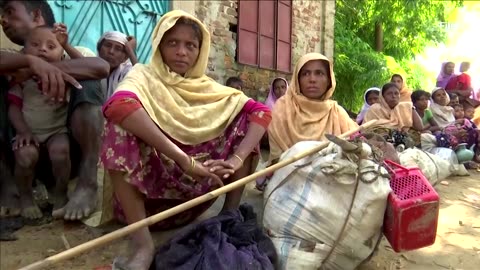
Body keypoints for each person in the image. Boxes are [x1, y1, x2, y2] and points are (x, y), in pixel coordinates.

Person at [100, 10, 271, 269]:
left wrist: (236, 160)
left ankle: (227, 217)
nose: (182, 51)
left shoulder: (208, 87)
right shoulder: (143, 76)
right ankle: (143, 244)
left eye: (190, 45)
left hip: (194, 200)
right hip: (147, 206)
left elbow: (262, 112)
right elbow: (118, 106)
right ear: (159, 45)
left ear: (200, 51)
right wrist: (185, 161)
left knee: (244, 119)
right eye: (173, 43)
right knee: (119, 129)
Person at [0, 0, 110, 220]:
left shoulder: (76, 52)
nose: (3, 20)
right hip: (22, 145)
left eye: (10, 12)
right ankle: (7, 185)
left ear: (36, 15)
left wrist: (41, 69)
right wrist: (29, 61)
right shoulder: (11, 57)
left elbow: (101, 67)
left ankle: (87, 183)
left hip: (64, 149)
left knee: (86, 79)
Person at [7, 25, 83, 219]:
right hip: (28, 131)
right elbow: (14, 107)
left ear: (61, 54)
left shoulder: (65, 75)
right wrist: (23, 131)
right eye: (35, 44)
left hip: (56, 131)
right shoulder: (22, 78)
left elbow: (87, 65)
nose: (43, 49)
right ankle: (25, 197)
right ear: (24, 50)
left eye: (51, 46)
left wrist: (67, 45)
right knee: (25, 156)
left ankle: (59, 193)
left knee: (61, 152)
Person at [268, 53, 358, 163]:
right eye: (305, 74)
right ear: (297, 79)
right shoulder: (282, 108)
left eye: (319, 73)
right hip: (288, 174)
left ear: (329, 80)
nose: (312, 79)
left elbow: (355, 146)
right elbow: (276, 157)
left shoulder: (337, 113)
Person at [363, 83, 423, 148]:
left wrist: (411, 108)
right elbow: (366, 129)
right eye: (389, 93)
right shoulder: (375, 108)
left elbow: (420, 127)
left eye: (396, 93)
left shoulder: (404, 107)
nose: (393, 96)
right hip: (383, 142)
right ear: (383, 96)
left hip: (405, 141)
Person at [97, 30, 138, 98]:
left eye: (118, 49)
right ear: (99, 48)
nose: (111, 51)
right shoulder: (89, 64)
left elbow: (141, 80)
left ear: (125, 57)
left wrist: (130, 51)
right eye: (108, 45)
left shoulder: (126, 71)